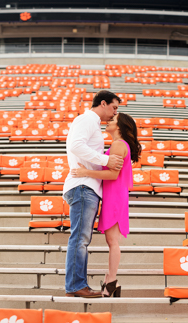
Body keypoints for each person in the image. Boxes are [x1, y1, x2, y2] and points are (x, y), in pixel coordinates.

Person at [70, 112, 139, 298]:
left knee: (112, 241)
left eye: (113, 120)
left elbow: (112, 175)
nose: (109, 121)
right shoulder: (119, 145)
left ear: (120, 126)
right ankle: (111, 281)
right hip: (114, 194)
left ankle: (111, 281)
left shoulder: (118, 144)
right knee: (112, 241)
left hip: (115, 195)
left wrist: (85, 172)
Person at [63, 90, 124, 298]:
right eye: (114, 107)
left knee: (82, 239)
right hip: (82, 186)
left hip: (87, 186)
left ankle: (77, 285)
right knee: (80, 239)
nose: (115, 113)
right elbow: (76, 145)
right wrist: (105, 160)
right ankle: (75, 286)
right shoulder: (87, 119)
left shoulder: (92, 123)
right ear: (104, 103)